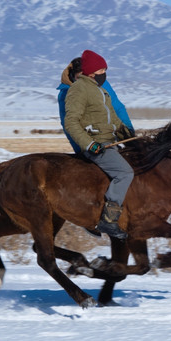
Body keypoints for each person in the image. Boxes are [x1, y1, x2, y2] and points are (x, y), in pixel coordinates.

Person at [63, 50, 135, 240]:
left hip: (110, 141)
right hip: (98, 146)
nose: (105, 73)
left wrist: (126, 132)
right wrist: (89, 144)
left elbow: (113, 119)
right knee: (124, 173)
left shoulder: (100, 91)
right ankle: (109, 220)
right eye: (102, 69)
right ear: (93, 71)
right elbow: (71, 122)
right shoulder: (78, 89)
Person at [57, 57, 134, 153]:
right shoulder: (67, 92)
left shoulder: (102, 84)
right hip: (92, 143)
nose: (82, 81)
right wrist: (83, 150)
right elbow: (68, 123)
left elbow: (117, 108)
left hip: (111, 138)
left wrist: (130, 134)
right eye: (78, 78)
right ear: (72, 77)